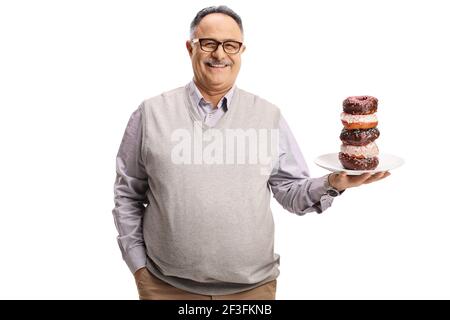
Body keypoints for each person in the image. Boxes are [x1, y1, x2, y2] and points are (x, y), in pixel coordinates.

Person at [112, 5, 390, 300]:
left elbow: (290, 192)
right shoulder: (150, 114)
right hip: (165, 286)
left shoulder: (268, 116)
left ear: (242, 50)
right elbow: (127, 194)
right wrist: (139, 267)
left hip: (252, 291)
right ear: (190, 47)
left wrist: (332, 183)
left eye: (231, 45)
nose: (220, 54)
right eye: (209, 43)